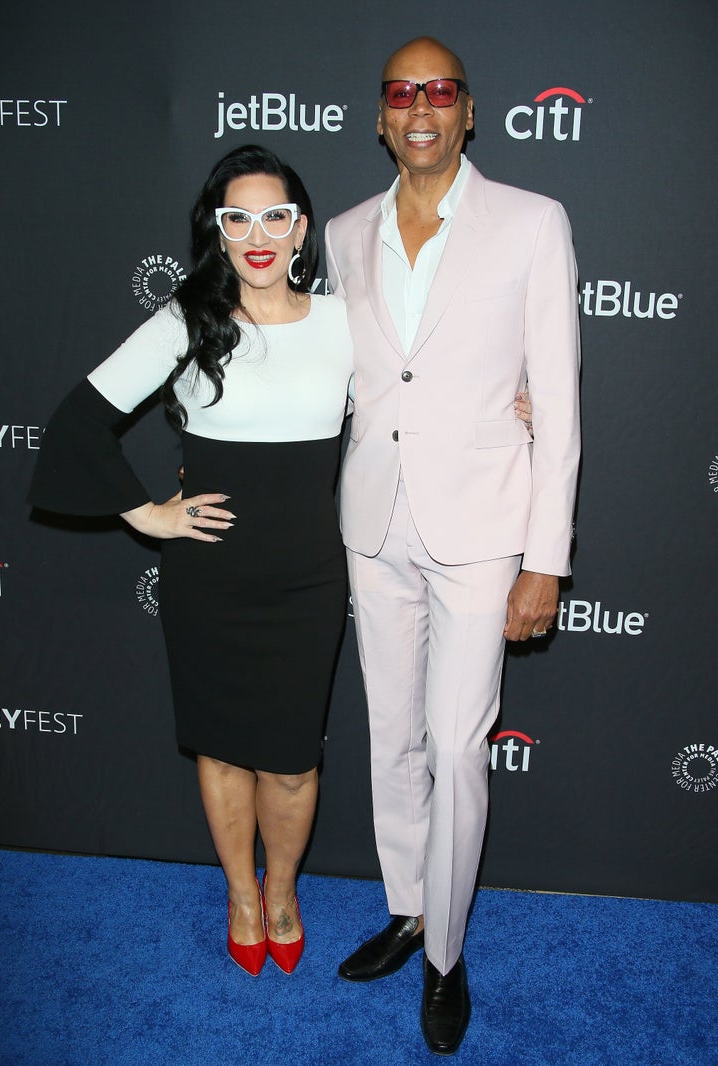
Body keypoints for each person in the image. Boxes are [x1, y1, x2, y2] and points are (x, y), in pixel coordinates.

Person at [28, 144, 355, 977]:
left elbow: (427, 400)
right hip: (209, 579)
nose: (257, 234)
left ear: (300, 229)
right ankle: (241, 898)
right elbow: (76, 424)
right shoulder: (187, 320)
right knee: (219, 751)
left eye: (274, 216)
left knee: (289, 760)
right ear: (217, 230)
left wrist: (514, 399)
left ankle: (282, 893)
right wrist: (148, 515)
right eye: (236, 217)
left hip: (309, 576)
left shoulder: (347, 322)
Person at [325, 36, 581, 1054]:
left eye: (439, 90)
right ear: (382, 116)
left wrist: (546, 555)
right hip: (373, 516)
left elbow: (557, 399)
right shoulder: (343, 233)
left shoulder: (531, 222)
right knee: (391, 732)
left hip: (483, 526)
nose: (420, 106)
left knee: (458, 749)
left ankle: (446, 954)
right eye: (401, 91)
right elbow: (334, 371)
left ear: (468, 112)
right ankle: (407, 907)